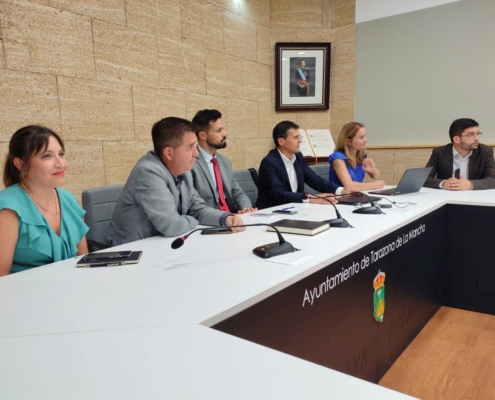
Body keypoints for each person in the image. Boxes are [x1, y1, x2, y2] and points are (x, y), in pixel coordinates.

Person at [106, 117, 245, 246]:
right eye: (190, 147)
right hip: (132, 251)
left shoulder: (184, 171)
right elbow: (171, 225)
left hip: (163, 244)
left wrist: (225, 218)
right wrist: (192, 220)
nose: (196, 153)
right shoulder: (148, 172)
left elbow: (198, 209)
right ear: (169, 153)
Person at [0, 125, 89, 276]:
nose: (60, 164)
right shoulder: (8, 210)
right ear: (20, 164)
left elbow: (84, 260)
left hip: (71, 290)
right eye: (47, 156)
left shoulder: (68, 199)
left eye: (61, 154)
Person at [257, 121, 346, 209]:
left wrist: (341, 191)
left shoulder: (298, 157)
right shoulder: (269, 162)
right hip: (273, 211)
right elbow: (278, 193)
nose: (300, 140)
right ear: (281, 141)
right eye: (296, 137)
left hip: (295, 208)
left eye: (299, 137)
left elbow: (315, 180)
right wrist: (310, 197)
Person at [191, 109, 257, 214]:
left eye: (224, 129)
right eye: (219, 131)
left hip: (233, 217)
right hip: (210, 221)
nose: (225, 134)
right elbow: (193, 204)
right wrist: (226, 217)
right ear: (202, 135)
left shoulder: (224, 161)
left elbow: (237, 192)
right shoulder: (190, 163)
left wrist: (246, 209)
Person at [424, 118, 495, 190]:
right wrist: (443, 183)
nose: (477, 138)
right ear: (456, 139)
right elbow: (424, 179)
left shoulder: (485, 151)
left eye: (477, 133)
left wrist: (470, 185)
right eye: (471, 135)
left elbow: (492, 179)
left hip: (475, 197)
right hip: (446, 196)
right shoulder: (439, 152)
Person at [328, 122, 385, 191]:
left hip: (355, 196)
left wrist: (373, 171)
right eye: (361, 137)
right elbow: (350, 187)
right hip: (338, 198)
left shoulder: (361, 156)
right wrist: (375, 185)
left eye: (365, 136)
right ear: (349, 141)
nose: (366, 140)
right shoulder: (338, 158)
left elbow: (377, 176)